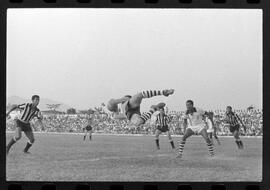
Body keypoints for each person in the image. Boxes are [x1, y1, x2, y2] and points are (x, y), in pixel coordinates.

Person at [107, 89, 174, 127]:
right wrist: (115, 110)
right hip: (130, 113)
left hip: (128, 105)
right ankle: (153, 109)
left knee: (139, 95)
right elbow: (117, 116)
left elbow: (113, 102)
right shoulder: (118, 114)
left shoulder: (122, 102)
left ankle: (163, 92)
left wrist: (117, 102)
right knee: (138, 122)